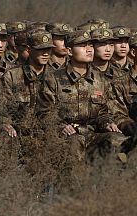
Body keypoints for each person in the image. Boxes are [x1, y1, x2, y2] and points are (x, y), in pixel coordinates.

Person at [37, 30, 116, 160]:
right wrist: (61, 126)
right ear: (69, 51)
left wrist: (107, 123)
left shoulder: (100, 79)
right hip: (66, 135)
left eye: (90, 45)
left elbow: (103, 113)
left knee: (117, 141)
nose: (89, 50)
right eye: (82, 46)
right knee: (74, 144)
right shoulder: (53, 78)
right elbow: (45, 113)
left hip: (92, 133)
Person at [1, 31, 54, 126]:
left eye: (48, 49)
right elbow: (4, 109)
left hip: (49, 129)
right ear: (29, 50)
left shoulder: (55, 76)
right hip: (19, 130)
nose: (46, 54)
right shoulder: (12, 76)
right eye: (41, 49)